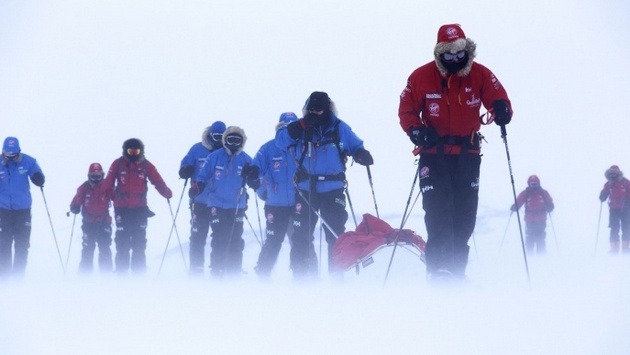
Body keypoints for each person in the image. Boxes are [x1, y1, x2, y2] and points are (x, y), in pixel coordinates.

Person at [398, 24, 512, 283]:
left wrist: (502, 108)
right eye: (448, 55)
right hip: (433, 154)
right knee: (438, 212)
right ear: (439, 54)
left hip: (467, 154)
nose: (454, 59)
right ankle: (438, 272)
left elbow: (498, 96)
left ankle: (457, 272)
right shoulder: (420, 77)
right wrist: (416, 131)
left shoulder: (480, 74)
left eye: (459, 53)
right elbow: (406, 110)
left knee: (464, 216)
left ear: (467, 50)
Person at [276, 91, 373, 280]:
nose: (314, 114)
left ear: (326, 110)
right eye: (310, 110)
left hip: (333, 188)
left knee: (335, 235)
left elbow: (354, 145)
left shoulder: (339, 127)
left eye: (318, 111)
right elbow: (280, 142)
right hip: (305, 189)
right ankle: (302, 278)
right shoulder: (300, 128)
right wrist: (297, 127)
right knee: (301, 235)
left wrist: (361, 154)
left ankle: (338, 276)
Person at [194, 126, 257, 278]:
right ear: (225, 141)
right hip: (216, 204)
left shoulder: (246, 159)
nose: (234, 143)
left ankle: (234, 270)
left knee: (236, 237)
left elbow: (255, 181)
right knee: (219, 236)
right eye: (230, 140)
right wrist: (198, 187)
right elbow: (203, 176)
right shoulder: (215, 156)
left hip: (237, 205)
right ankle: (217, 268)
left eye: (237, 140)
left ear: (242, 142)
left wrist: (252, 177)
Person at [104, 138, 173, 275]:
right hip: (121, 209)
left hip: (140, 209)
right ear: (125, 151)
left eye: (136, 151)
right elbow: (108, 184)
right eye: (131, 151)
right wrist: (114, 198)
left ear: (141, 151)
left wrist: (166, 192)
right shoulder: (117, 164)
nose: (134, 154)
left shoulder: (146, 165)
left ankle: (139, 272)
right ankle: (121, 272)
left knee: (139, 242)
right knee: (122, 241)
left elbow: (157, 180)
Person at [251, 112, 299, 279]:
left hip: (299, 202)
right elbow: (255, 170)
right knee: (273, 241)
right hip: (275, 205)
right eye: (285, 127)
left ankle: (305, 274)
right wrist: (261, 191)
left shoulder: (303, 146)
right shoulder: (268, 148)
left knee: (300, 241)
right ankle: (263, 273)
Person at [179, 121, 227, 275]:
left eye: (221, 136)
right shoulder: (197, 149)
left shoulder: (227, 152)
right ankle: (196, 268)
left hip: (219, 203)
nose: (218, 140)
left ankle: (217, 267)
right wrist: (185, 170)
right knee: (197, 235)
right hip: (199, 201)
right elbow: (183, 165)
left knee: (219, 236)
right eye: (216, 136)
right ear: (210, 135)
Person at [0, 137, 45, 279]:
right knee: (4, 244)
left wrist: (38, 178)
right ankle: (5, 277)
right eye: (8, 154)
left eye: (14, 154)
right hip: (3, 210)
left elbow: (37, 172)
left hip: (23, 211)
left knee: (22, 244)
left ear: (19, 151)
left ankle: (19, 277)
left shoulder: (28, 161)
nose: (11, 157)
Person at [69, 163, 115, 274]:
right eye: (93, 176)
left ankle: (106, 276)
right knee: (87, 249)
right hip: (88, 224)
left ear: (102, 175)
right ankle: (84, 277)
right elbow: (76, 201)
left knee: (104, 248)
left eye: (98, 176)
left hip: (104, 222)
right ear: (89, 176)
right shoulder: (83, 188)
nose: (96, 179)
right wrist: (74, 207)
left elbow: (117, 198)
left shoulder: (107, 187)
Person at [511, 175, 554, 255]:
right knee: (529, 238)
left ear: (538, 183)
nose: (534, 186)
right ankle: (530, 256)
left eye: (535, 184)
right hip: (529, 220)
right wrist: (515, 206)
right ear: (529, 184)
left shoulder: (543, 193)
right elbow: (519, 201)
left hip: (541, 220)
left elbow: (550, 202)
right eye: (532, 184)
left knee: (540, 238)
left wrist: (550, 207)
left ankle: (541, 256)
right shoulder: (526, 193)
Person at [599, 165, 630, 253]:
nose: (613, 176)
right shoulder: (608, 184)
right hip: (614, 210)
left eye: (614, 174)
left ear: (618, 173)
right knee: (614, 228)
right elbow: (604, 194)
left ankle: (625, 248)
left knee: (626, 227)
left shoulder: (625, 182)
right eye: (611, 174)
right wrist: (602, 196)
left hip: (626, 209)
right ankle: (614, 249)